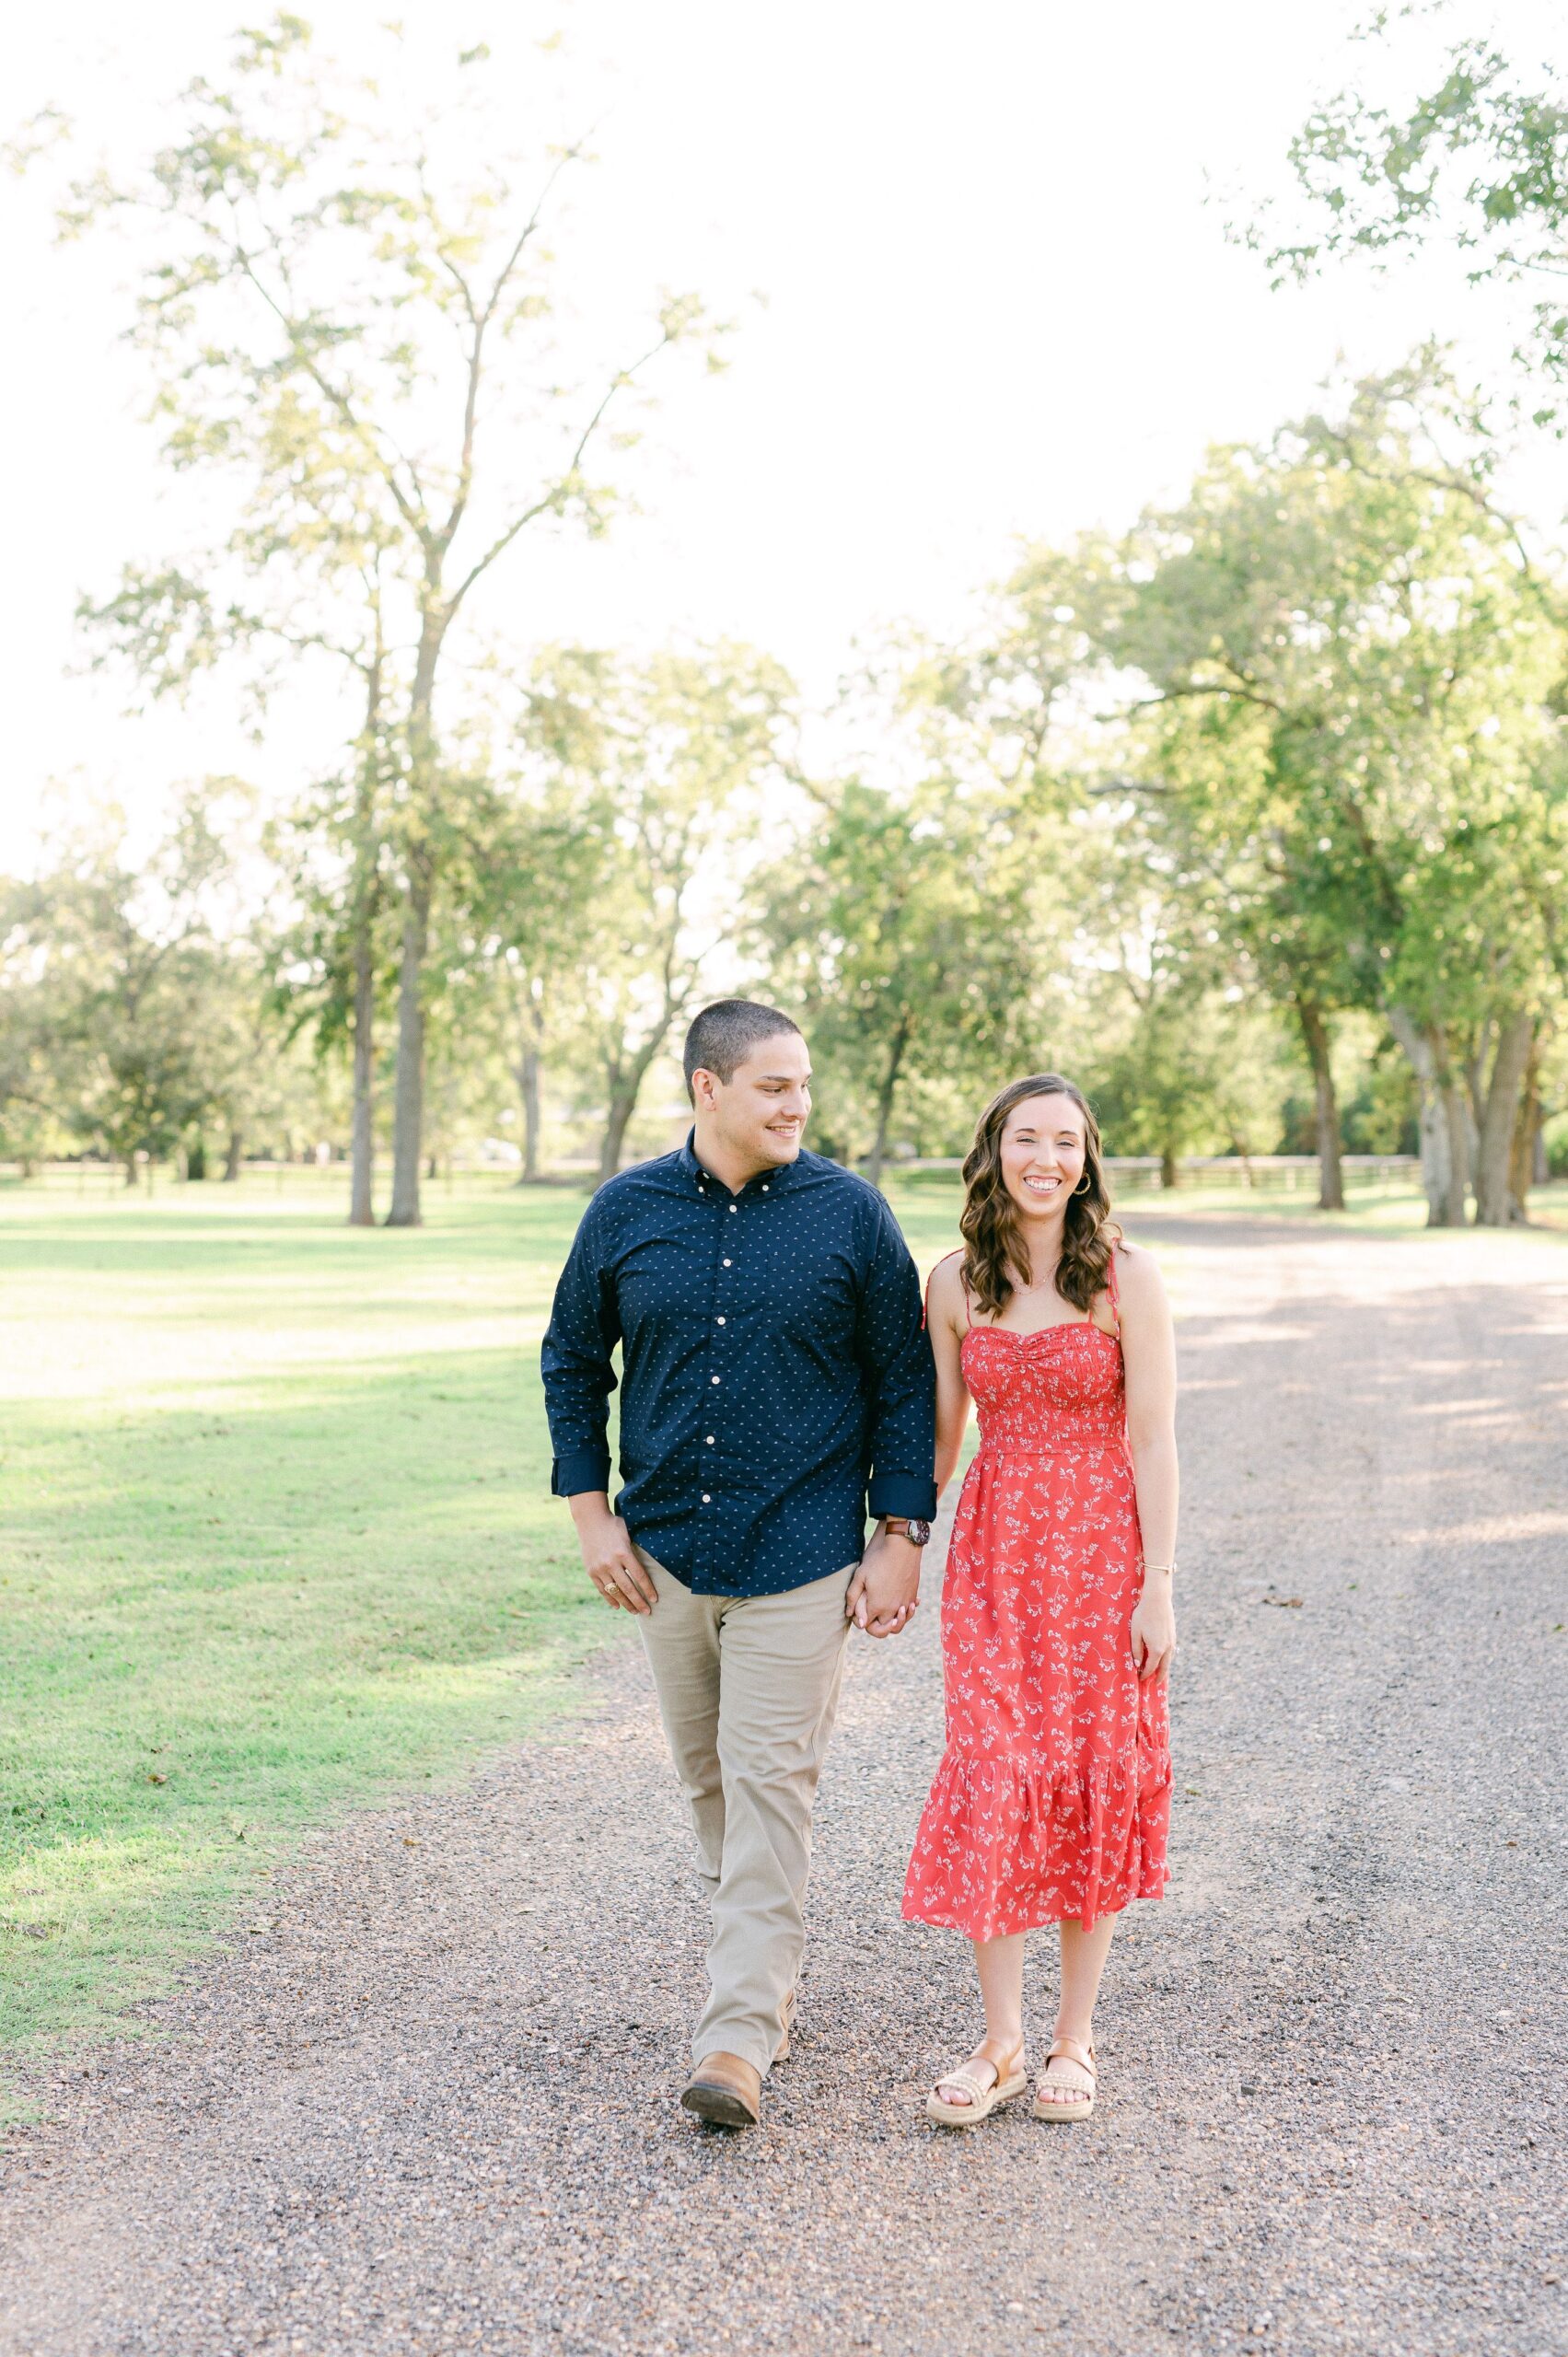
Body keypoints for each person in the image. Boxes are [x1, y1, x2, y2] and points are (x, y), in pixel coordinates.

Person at [541, 999, 937, 2129]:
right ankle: (762, 1976)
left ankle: (735, 2041)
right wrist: (590, 1515)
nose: (796, 1103)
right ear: (707, 1089)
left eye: (802, 1083)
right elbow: (572, 1359)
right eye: (772, 1085)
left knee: (768, 1789)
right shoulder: (624, 1213)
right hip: (662, 1558)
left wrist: (897, 1535)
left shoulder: (851, 1217)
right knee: (710, 1787)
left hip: (800, 1559)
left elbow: (903, 1381)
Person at [902, 1073, 1177, 2127]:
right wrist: (893, 1544)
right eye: (1027, 1139)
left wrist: (1157, 1587)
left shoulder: (1122, 1276)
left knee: (1087, 1772)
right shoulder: (952, 1282)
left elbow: (1151, 1440)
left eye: (1065, 1142)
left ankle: (1074, 2037)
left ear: (1086, 1158)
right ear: (994, 1149)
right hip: (993, 1558)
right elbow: (939, 1438)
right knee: (995, 1767)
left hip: (1100, 1557)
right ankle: (1001, 2039)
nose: (1046, 1159)